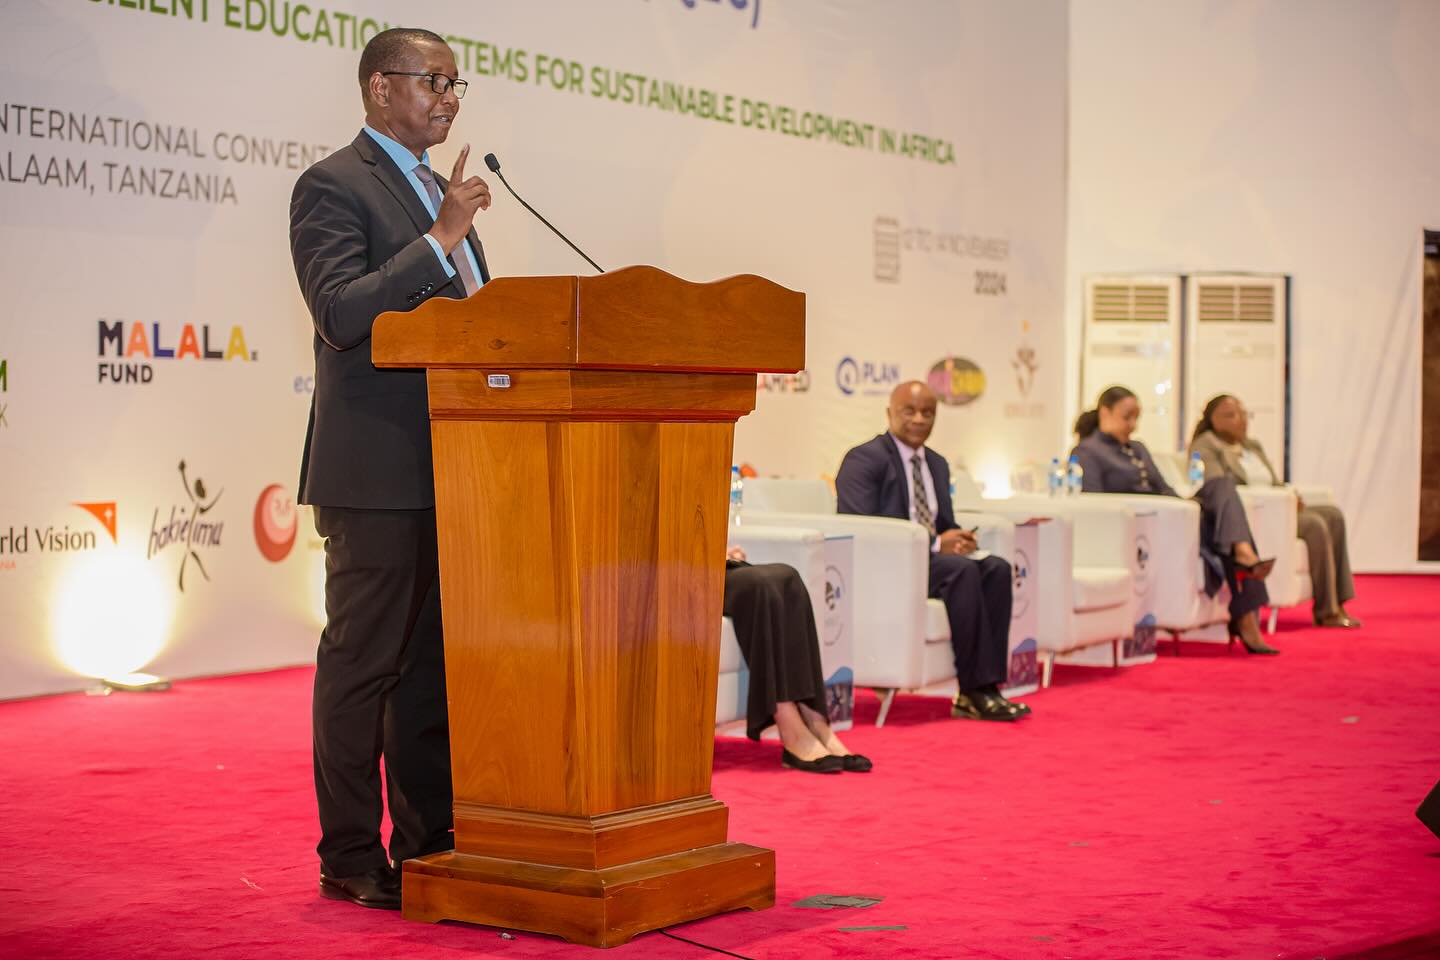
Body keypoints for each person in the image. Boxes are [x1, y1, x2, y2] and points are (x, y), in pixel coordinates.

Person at [289, 27, 493, 910]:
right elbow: (340, 313)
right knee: (362, 666)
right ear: (380, 87)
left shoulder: (436, 193)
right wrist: (441, 238)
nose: (449, 98)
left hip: (456, 466)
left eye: (455, 83)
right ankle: (347, 854)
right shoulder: (333, 184)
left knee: (428, 670)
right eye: (433, 81)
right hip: (375, 474)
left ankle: (428, 841)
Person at [835, 381, 1029, 721]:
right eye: (909, 411)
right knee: (961, 571)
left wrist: (959, 539)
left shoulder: (936, 463)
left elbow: (944, 523)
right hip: (888, 566)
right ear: (889, 413)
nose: (919, 419)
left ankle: (988, 688)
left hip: (931, 560)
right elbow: (863, 528)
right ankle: (973, 689)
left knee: (997, 568)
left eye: (928, 412)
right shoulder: (864, 459)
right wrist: (938, 544)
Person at [1072, 386, 1279, 654]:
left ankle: (1243, 553)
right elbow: (1094, 504)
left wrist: (1186, 507)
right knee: (1226, 529)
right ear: (1105, 412)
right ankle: (1246, 608)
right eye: (1127, 417)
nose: (1133, 425)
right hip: (1147, 527)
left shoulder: (1138, 448)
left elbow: (1164, 487)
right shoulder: (1087, 452)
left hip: (1174, 519)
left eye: (1136, 417)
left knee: (1222, 488)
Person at [1190, 394, 1360, 628]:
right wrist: (1279, 500)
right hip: (1259, 513)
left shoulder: (1252, 446)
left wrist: (1290, 495)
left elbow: (1273, 480)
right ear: (1212, 419)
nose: (1241, 420)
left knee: (1333, 515)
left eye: (1243, 414)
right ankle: (1326, 611)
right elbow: (1215, 485)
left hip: (1281, 506)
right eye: (1231, 415)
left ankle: (1339, 602)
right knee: (1315, 525)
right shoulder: (1206, 446)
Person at [723, 546, 872, 773]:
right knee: (758, 583)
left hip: (714, 564)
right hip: (680, 572)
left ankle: (817, 723)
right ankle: (790, 729)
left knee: (788, 576)